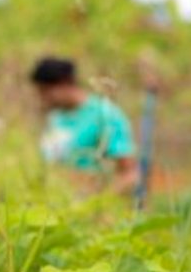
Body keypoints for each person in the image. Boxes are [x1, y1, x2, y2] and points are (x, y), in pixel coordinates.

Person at [29, 56, 138, 194]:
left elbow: (130, 174)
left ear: (65, 84)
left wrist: (97, 202)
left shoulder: (105, 115)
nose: (42, 98)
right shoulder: (56, 118)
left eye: (45, 92)